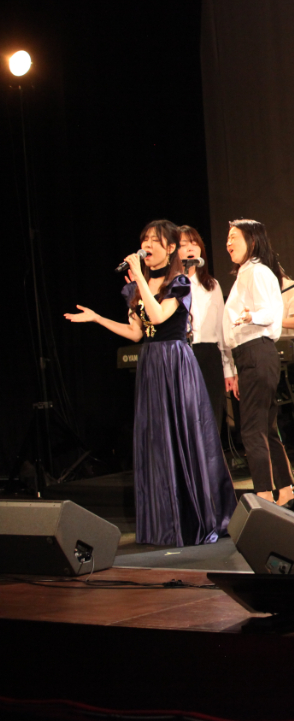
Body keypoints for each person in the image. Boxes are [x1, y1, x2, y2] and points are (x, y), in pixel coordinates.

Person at [65, 220, 236, 547]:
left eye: (154, 241)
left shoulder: (180, 281)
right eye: (144, 239)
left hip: (175, 361)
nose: (147, 246)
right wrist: (98, 318)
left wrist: (141, 281)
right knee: (157, 441)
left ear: (170, 248)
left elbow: (158, 316)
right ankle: (164, 523)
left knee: (182, 436)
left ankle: (195, 517)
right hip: (151, 364)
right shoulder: (137, 287)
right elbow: (136, 333)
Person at [223, 219, 294, 506]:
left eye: (234, 237)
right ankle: (285, 490)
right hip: (252, 354)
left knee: (252, 429)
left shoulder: (256, 271)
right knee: (265, 427)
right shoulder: (247, 273)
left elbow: (271, 312)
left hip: (255, 351)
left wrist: (251, 316)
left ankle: (264, 493)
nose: (228, 243)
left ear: (252, 241)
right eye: (227, 238)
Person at [178, 225, 233, 434]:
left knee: (210, 416)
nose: (190, 248)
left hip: (208, 353)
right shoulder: (170, 285)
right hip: (180, 352)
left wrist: (229, 369)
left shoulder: (212, 285)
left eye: (195, 243)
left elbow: (221, 329)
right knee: (184, 417)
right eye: (184, 244)